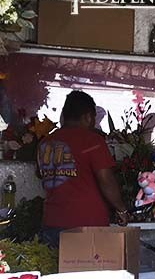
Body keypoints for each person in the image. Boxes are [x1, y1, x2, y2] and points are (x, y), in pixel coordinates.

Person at [36, 90, 128, 248]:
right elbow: (106, 180)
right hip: (87, 223)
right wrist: (121, 210)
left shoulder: (45, 143)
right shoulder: (92, 141)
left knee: (55, 263)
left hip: (52, 221)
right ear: (88, 117)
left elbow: (40, 174)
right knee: (87, 265)